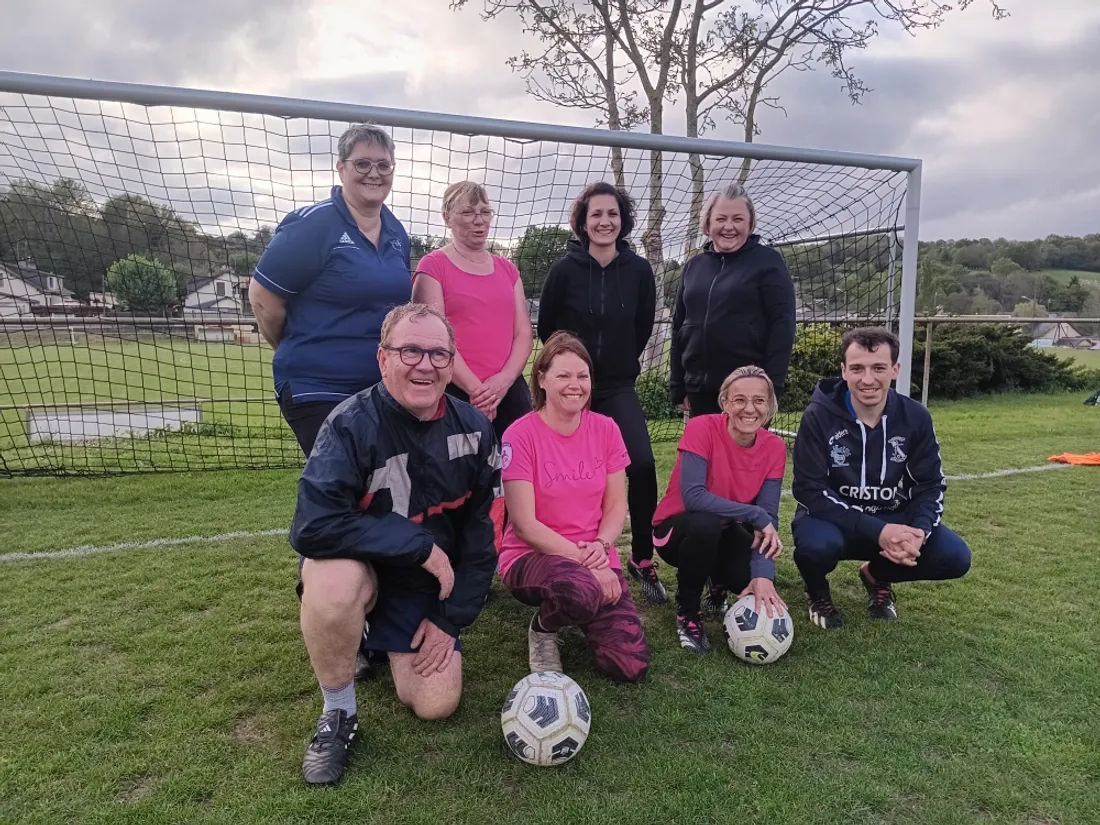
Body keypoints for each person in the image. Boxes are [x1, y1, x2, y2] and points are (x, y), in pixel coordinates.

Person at [288, 303, 500, 785]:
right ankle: (338, 712)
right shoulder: (349, 424)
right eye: (410, 350)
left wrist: (450, 620)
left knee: (436, 703)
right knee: (334, 585)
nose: (425, 364)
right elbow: (311, 527)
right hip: (362, 565)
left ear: (451, 362)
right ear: (383, 358)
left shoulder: (474, 428)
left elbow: (483, 535)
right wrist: (419, 545)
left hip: (418, 585)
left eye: (437, 353)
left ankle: (368, 638)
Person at [791, 327, 971, 630]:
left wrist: (918, 531)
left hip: (893, 517)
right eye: (857, 368)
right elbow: (809, 491)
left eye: (878, 368)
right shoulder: (818, 416)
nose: (868, 379)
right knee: (814, 547)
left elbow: (930, 485)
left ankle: (875, 575)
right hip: (835, 520)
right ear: (844, 371)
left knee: (954, 557)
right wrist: (878, 530)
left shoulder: (915, 417)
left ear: (895, 370)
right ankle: (817, 592)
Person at [537, 182, 665, 605]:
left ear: (622, 220)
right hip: (568, 388)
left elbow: (643, 327)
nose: (604, 221)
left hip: (615, 386)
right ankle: (548, 555)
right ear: (583, 221)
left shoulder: (639, 270)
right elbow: (548, 331)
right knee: (553, 474)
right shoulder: (564, 270)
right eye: (596, 214)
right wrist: (572, 373)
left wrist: (617, 360)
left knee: (643, 465)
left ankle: (642, 558)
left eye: (612, 214)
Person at [249, 123, 411, 457]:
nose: (374, 173)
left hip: (379, 387)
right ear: (341, 168)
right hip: (317, 386)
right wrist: (295, 344)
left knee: (382, 487)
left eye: (384, 165)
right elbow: (263, 300)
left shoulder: (396, 232)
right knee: (340, 484)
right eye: (362, 163)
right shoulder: (312, 225)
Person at [499, 332, 650, 683]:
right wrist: (585, 564)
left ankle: (582, 610)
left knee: (630, 666)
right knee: (580, 589)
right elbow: (524, 525)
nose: (574, 385)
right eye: (563, 375)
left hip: (595, 556)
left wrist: (600, 549)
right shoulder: (519, 435)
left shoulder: (607, 429)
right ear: (541, 378)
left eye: (582, 376)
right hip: (531, 555)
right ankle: (543, 628)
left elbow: (616, 506)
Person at [651, 366, 788, 653]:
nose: (749, 409)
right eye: (739, 400)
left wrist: (763, 575)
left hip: (724, 529)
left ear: (770, 406)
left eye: (759, 401)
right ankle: (687, 613)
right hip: (676, 530)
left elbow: (768, 516)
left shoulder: (774, 447)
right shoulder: (702, 427)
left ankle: (718, 583)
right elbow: (694, 497)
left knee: (747, 578)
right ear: (724, 402)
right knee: (706, 524)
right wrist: (754, 514)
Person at [412, 181, 533, 438]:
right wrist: (477, 391)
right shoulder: (433, 267)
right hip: (453, 393)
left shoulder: (508, 270)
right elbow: (433, 340)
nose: (479, 220)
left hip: (509, 393)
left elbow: (523, 333)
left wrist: (503, 381)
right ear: (447, 217)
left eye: (485, 211)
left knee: (514, 474)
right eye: (468, 212)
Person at [669, 182, 796, 417]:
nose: (729, 226)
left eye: (738, 219)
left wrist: (772, 387)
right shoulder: (693, 267)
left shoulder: (768, 263)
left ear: (750, 224)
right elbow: (678, 327)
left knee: (742, 454)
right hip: (700, 389)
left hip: (747, 392)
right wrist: (678, 384)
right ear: (708, 225)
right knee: (704, 453)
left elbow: (783, 326)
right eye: (721, 219)